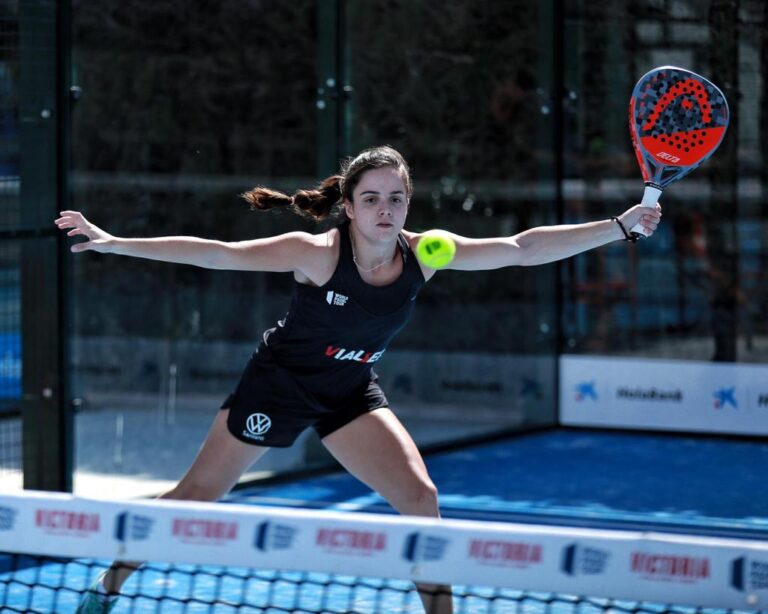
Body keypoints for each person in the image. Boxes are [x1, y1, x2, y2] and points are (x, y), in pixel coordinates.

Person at [59, 145, 661, 614]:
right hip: (277, 386)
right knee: (195, 498)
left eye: (396, 199)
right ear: (348, 207)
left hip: (349, 392)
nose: (385, 210)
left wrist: (619, 225)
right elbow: (220, 253)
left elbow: (522, 248)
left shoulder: (428, 252)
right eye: (371, 199)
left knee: (422, 500)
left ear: (407, 205)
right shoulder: (317, 253)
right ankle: (108, 587)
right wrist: (115, 244)